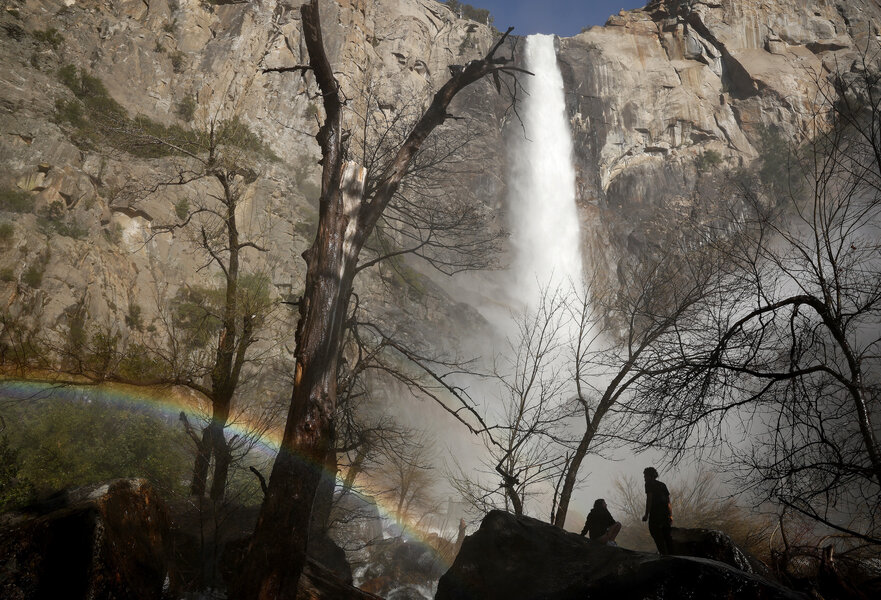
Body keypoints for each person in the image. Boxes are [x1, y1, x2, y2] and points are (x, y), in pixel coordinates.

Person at [642, 467, 673, 554]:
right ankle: (671, 554)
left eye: (645, 476)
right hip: (665, 514)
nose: (644, 478)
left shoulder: (649, 484)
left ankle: (664, 554)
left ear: (649, 476)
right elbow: (668, 502)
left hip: (656, 514)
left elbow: (649, 499)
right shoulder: (663, 485)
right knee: (667, 536)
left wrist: (646, 514)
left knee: (655, 533)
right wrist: (670, 515)